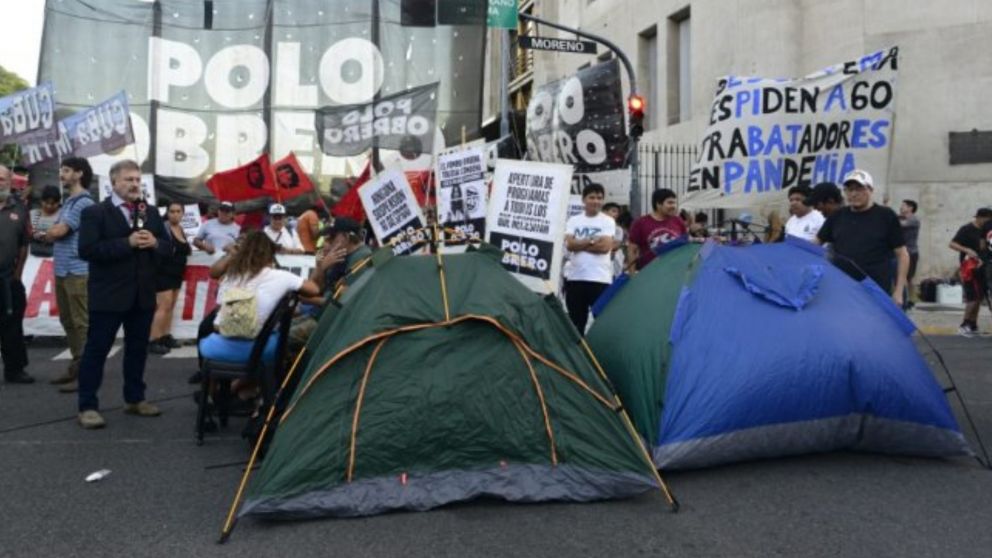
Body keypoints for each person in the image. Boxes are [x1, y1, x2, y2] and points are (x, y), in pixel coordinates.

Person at [75, 160, 171, 429]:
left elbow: (169, 249)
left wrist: (156, 244)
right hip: (108, 295)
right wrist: (125, 243)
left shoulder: (150, 212)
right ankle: (87, 406)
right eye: (128, 179)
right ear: (114, 183)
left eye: (138, 180)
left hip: (141, 296)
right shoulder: (96, 212)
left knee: (137, 350)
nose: (134, 184)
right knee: (97, 351)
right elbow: (88, 250)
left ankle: (135, 399)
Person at [199, 230, 320, 363]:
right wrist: (321, 267)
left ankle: (222, 382)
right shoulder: (281, 276)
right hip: (259, 349)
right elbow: (314, 289)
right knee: (300, 332)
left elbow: (218, 316)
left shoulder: (230, 277)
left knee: (207, 332)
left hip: (217, 347)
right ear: (270, 255)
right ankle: (251, 381)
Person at [815, 169, 909, 306]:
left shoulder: (886, 216)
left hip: (876, 290)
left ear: (870, 190)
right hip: (843, 290)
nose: (853, 194)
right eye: (849, 189)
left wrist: (899, 290)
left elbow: (902, 254)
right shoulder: (837, 216)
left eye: (859, 189)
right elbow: (815, 243)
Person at [43, 158, 97, 391]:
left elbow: (60, 230)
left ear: (79, 173)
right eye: (62, 170)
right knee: (68, 320)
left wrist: (47, 232)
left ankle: (86, 373)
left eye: (66, 170)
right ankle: (77, 365)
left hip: (77, 270)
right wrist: (50, 232)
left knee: (81, 323)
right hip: (64, 270)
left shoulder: (82, 203)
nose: (61, 174)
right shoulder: (69, 203)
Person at [563, 184, 616, 335]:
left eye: (599, 198)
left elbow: (605, 247)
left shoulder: (607, 221)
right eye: (592, 197)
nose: (596, 201)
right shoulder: (574, 220)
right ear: (584, 200)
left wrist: (580, 243)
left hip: (600, 279)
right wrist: (592, 240)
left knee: (602, 320)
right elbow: (569, 244)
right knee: (576, 322)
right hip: (575, 278)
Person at [0, 164, 32, 384]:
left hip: (7, 278)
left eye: (2, 179)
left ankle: (15, 370)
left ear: (10, 181)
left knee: (12, 326)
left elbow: (23, 245)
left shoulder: (20, 208)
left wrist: (17, 275)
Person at [148, 202, 192, 355]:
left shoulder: (180, 229)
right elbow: (158, 248)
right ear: (167, 212)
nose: (175, 214)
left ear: (183, 213)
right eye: (172, 211)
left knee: (171, 306)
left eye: (178, 211)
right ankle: (154, 339)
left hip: (176, 273)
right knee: (163, 306)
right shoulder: (163, 227)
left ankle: (165, 336)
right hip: (163, 273)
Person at [949, 208, 991, 337]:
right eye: (988, 219)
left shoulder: (986, 231)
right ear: (980, 217)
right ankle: (964, 325)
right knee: (972, 297)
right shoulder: (967, 229)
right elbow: (952, 244)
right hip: (969, 268)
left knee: (979, 297)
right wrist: (967, 249)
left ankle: (973, 324)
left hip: (982, 268)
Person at [628, 188, 688, 271]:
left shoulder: (678, 221)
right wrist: (632, 275)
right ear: (658, 204)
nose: (674, 206)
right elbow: (632, 250)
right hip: (650, 273)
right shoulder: (640, 223)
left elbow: (685, 245)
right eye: (670, 203)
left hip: (674, 271)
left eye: (674, 203)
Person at [899, 199, 921, 309]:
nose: (901, 208)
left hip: (911, 252)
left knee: (907, 278)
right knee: (906, 278)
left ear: (910, 208)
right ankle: (909, 299)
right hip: (904, 252)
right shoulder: (902, 218)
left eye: (903, 206)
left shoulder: (913, 220)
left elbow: (899, 224)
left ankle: (908, 300)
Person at [29, 185, 62, 258]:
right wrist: (46, 234)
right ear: (41, 201)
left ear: (58, 202)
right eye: (46, 202)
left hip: (55, 257)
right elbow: (29, 232)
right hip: (33, 256)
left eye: (53, 203)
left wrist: (37, 234)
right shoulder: (34, 214)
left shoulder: (62, 215)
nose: (49, 206)